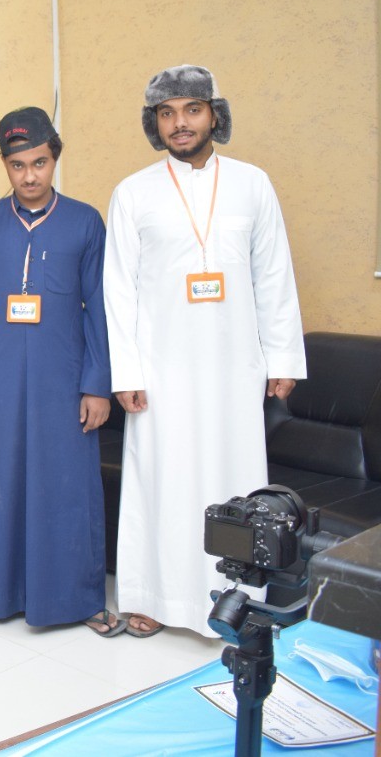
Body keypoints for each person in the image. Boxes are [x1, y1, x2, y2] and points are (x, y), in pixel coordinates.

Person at [104, 65, 306, 637]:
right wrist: (127, 370)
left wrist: (283, 357)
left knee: (232, 479)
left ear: (215, 114)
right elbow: (118, 289)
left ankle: (237, 602)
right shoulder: (133, 192)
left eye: (192, 109)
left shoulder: (252, 184)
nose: (180, 123)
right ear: (154, 123)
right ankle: (153, 597)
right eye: (166, 113)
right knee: (160, 481)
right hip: (160, 370)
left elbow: (274, 274)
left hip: (233, 367)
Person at [0, 108, 121, 636]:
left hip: (64, 377)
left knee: (67, 485)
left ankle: (76, 599)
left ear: (55, 159)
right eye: (17, 165)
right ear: (3, 165)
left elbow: (99, 308)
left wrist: (96, 384)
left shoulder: (85, 221)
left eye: (39, 163)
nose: (29, 176)